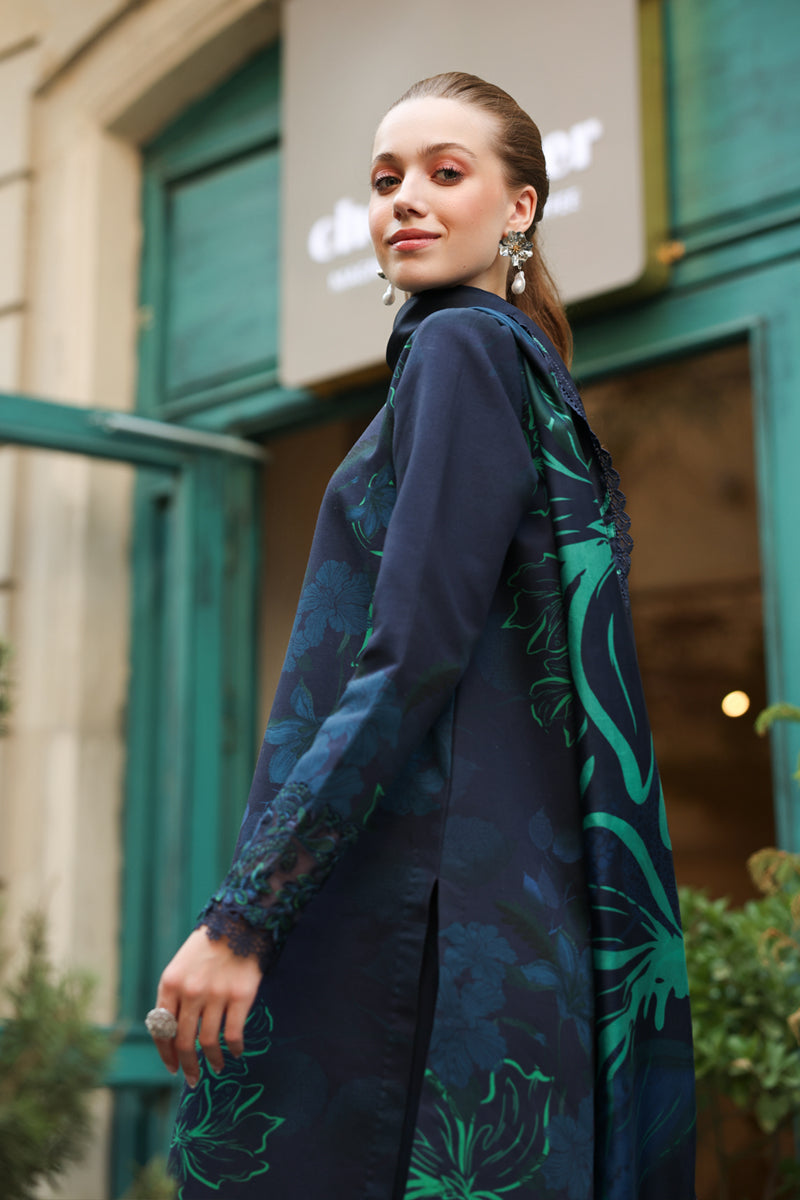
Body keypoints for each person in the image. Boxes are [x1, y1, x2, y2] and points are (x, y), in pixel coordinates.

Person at [152, 72, 697, 1198]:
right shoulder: (527, 372)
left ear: (520, 206)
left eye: (445, 173)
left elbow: (410, 660)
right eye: (384, 179)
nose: (403, 198)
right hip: (514, 924)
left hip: (427, 926)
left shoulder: (460, 350)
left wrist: (245, 916)